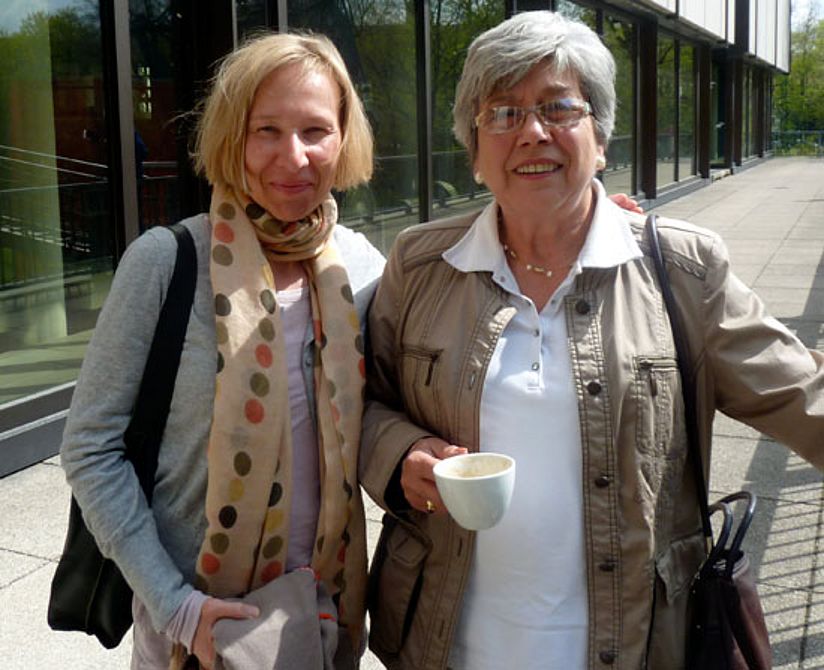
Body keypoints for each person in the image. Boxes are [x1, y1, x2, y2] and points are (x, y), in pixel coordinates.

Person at [359, 10, 824, 670]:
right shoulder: (422, 264)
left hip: (631, 644)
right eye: (504, 113)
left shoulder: (684, 270)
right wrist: (401, 454)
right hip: (445, 643)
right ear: (475, 151)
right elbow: (359, 406)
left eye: (558, 108)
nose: (532, 132)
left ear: (600, 138)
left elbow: (804, 396)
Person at [60, 32, 385, 670]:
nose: (293, 156)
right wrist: (176, 606)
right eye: (267, 130)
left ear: (344, 138)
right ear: (233, 137)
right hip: (191, 630)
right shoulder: (166, 263)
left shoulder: (362, 269)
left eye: (315, 130)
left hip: (319, 620)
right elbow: (91, 447)